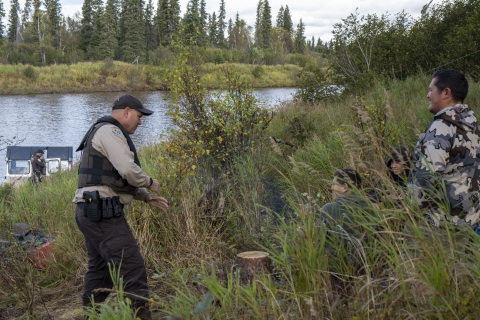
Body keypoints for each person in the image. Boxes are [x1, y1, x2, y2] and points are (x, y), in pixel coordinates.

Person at [73, 94, 169, 320]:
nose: (140, 121)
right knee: (132, 269)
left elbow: (111, 179)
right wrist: (149, 182)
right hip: (103, 214)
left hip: (89, 211)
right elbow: (127, 170)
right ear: (126, 112)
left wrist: (144, 197)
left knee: (101, 270)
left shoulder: (103, 131)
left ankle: (89, 315)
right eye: (139, 115)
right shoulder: (110, 131)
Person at [411, 69, 480, 229]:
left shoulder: (441, 128)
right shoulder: (475, 128)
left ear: (446, 92)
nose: (428, 95)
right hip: (470, 222)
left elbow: (427, 179)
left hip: (440, 226)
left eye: (430, 90)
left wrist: (408, 209)